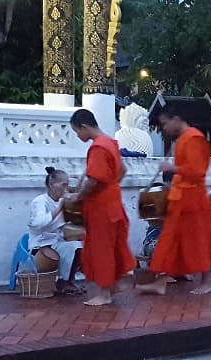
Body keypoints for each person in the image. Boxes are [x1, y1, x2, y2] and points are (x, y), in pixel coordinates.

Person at [136, 106, 211, 295]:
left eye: (165, 123)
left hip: (193, 200)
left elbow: (198, 171)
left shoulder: (194, 138)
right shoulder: (183, 140)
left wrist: (172, 167)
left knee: (198, 241)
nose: (164, 128)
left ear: (176, 119)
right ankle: (161, 282)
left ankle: (206, 282)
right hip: (180, 198)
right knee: (169, 241)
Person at [68, 109, 136, 306]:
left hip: (101, 207)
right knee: (112, 246)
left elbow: (93, 181)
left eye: (76, 131)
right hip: (113, 203)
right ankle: (112, 286)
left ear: (85, 126)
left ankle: (104, 294)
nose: (78, 136)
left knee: (102, 249)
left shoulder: (98, 147)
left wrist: (78, 196)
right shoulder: (111, 143)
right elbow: (122, 170)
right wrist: (111, 187)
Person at [28, 167, 83, 295]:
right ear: (52, 184)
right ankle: (63, 282)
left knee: (81, 245)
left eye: (67, 185)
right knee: (72, 247)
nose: (66, 188)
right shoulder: (39, 201)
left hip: (57, 241)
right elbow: (37, 223)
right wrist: (59, 208)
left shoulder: (63, 201)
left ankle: (69, 280)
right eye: (63, 185)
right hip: (41, 243)